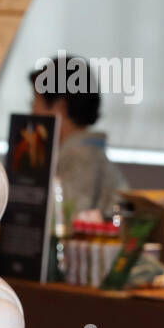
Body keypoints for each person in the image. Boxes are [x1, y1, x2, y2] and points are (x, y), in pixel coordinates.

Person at [30, 54, 129, 217]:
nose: (32, 112)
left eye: (35, 103)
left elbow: (67, 216)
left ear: (60, 108)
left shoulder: (79, 158)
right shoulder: (84, 152)